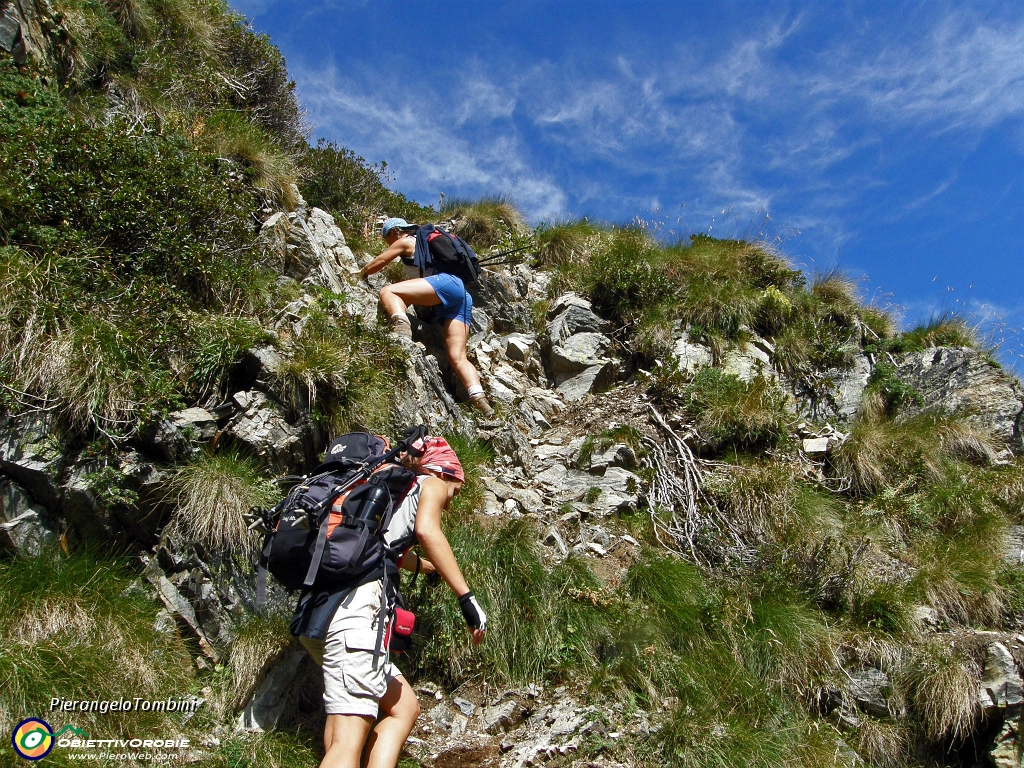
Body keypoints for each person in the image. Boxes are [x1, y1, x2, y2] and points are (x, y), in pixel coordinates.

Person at [294, 436, 487, 768]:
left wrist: (427, 567)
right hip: (356, 615)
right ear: (445, 471)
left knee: (405, 708)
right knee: (345, 745)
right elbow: (428, 531)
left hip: (318, 613)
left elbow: (388, 547)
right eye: (456, 489)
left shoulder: (383, 493)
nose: (451, 501)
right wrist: (467, 599)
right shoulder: (431, 483)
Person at [358, 217, 494, 418]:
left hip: (445, 284)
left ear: (395, 231)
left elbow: (380, 262)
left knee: (389, 291)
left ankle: (401, 328)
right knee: (457, 356)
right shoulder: (424, 244)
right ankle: (480, 400)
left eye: (387, 237)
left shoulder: (406, 241)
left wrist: (360, 273)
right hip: (461, 295)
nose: (388, 243)